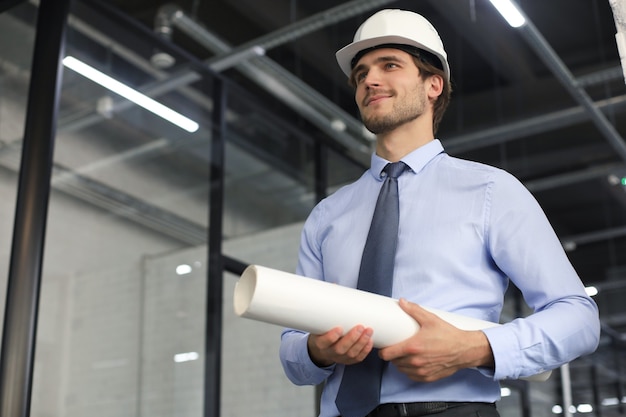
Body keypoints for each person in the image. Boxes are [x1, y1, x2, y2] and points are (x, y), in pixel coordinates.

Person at [279, 8, 600, 417]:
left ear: (434, 84)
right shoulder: (327, 216)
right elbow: (293, 354)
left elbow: (578, 318)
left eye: (389, 65)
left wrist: (474, 349)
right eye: (361, 74)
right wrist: (315, 350)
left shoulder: (491, 191)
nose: (369, 81)